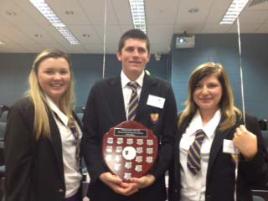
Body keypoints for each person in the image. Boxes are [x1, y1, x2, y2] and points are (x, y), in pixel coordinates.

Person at [81, 29, 177, 201]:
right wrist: (102, 174)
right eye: (130, 49)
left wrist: (152, 177)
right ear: (119, 54)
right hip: (106, 189)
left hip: (149, 191)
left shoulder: (164, 90)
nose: (136, 55)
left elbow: (170, 140)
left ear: (148, 56)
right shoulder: (99, 90)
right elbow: (89, 138)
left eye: (141, 50)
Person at [168, 62, 268, 201]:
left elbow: (260, 180)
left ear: (224, 89)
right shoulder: (180, 121)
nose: (204, 92)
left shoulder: (244, 123)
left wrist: (252, 156)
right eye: (198, 86)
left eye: (212, 85)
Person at [5, 49, 83, 201]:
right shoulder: (23, 111)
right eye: (49, 72)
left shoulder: (68, 111)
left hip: (73, 193)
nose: (57, 77)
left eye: (63, 72)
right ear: (36, 76)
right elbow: (17, 172)